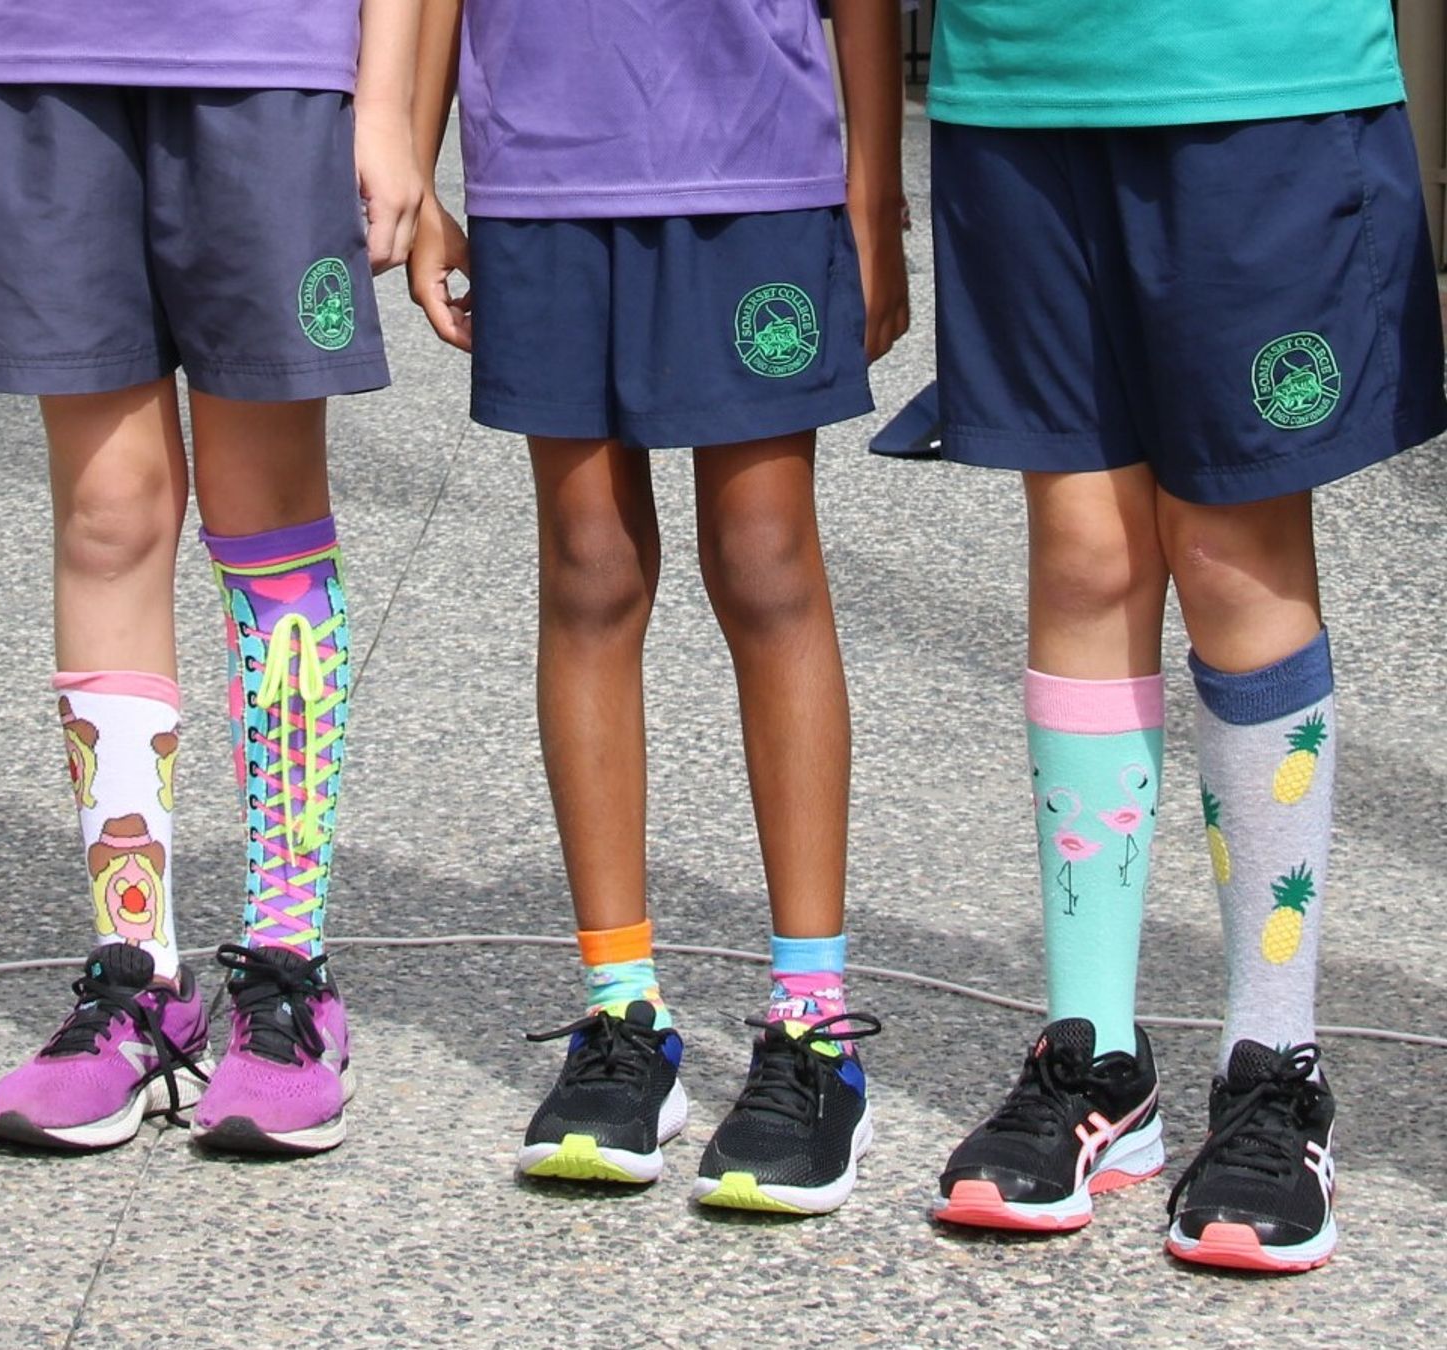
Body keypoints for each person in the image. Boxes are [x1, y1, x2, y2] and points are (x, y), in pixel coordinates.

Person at [917, 0, 1443, 1274]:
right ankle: (1097, 1058)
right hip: (1021, 79)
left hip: (1258, 76)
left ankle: (1273, 1066)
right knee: (1085, 553)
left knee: (1229, 549)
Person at [406, 0, 910, 1211]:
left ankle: (813, 1027)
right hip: (543, 170)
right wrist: (415, 173)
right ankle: (621, 1013)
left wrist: (874, 190)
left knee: (766, 563)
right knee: (590, 569)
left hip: (757, 159)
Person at [0, 0, 424, 1155]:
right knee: (107, 516)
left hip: (270, 60)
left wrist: (387, 101)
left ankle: (289, 972)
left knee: (268, 513)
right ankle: (137, 974)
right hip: (35, 56)